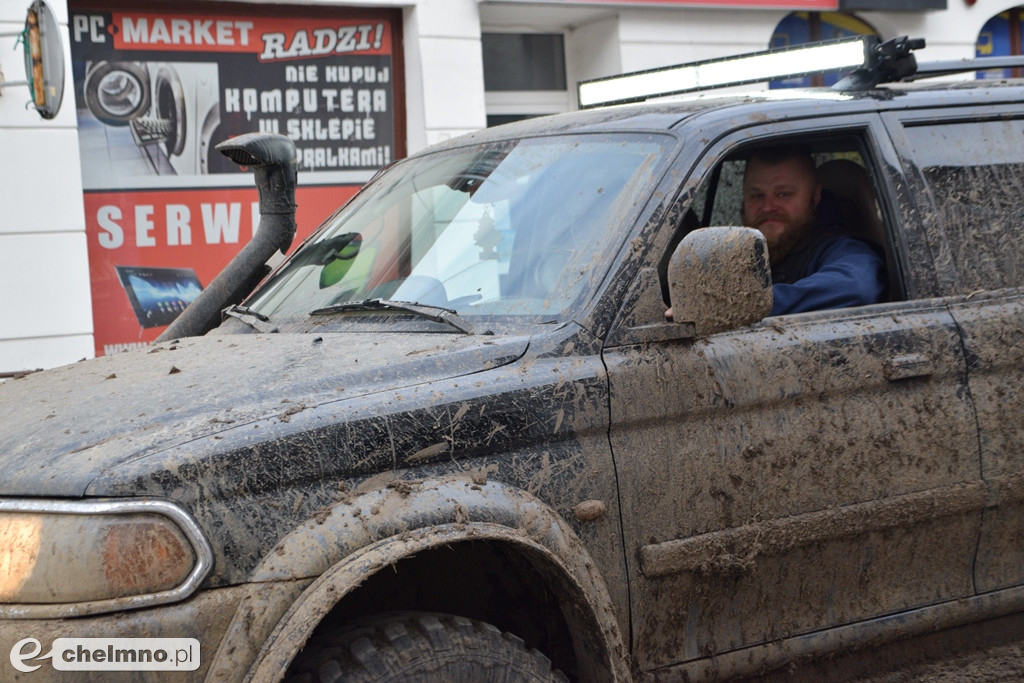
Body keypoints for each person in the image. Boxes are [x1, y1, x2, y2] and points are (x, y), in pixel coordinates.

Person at [740, 146, 886, 315]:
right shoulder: (737, 252)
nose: (768, 207)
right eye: (757, 195)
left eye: (783, 194)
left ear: (815, 196)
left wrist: (743, 307)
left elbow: (859, 286)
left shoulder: (841, 249)